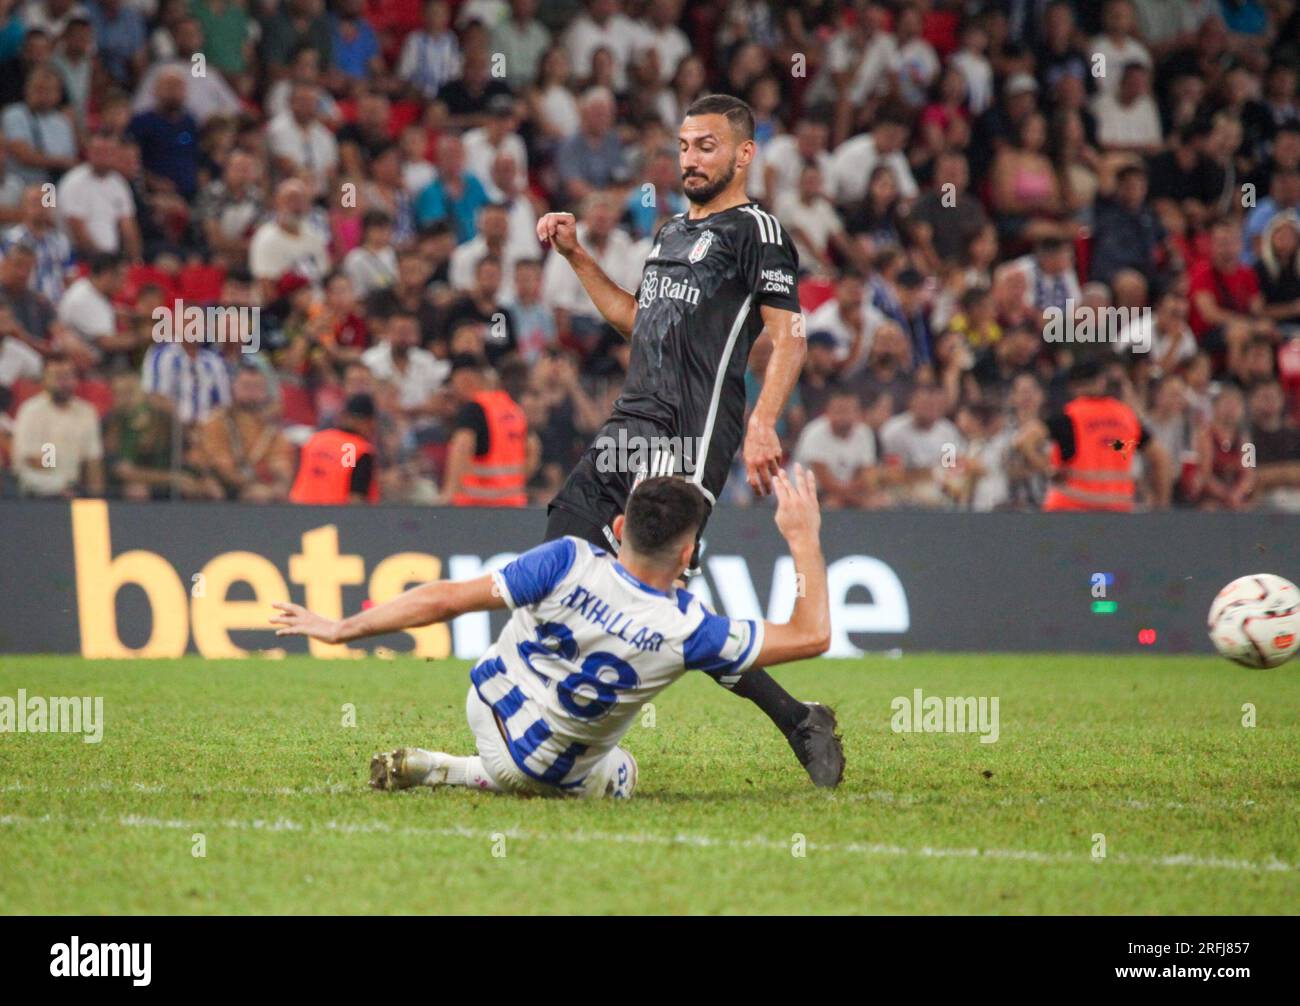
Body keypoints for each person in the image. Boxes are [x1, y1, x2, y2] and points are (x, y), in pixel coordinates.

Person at [534, 93, 844, 787]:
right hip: (629, 419)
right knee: (563, 539)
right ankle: (798, 716)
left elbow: (788, 334)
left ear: (743, 153)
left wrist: (763, 422)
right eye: (683, 145)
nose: (691, 158)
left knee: (657, 598)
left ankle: (796, 720)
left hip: (692, 428)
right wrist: (577, 254)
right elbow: (636, 320)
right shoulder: (671, 231)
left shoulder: (758, 230)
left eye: (706, 145)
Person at [271, 468, 831, 799]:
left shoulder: (567, 558)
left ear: (617, 529)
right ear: (687, 555)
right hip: (542, 773)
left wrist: (342, 628)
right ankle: (463, 773)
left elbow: (444, 598)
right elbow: (812, 635)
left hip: (484, 704)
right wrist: (803, 537)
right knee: (624, 772)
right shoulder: (690, 629)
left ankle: (448, 766)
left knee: (522, 721)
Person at [1037, 359, 1171, 511]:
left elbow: (1025, 441)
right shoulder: (1126, 416)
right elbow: (1161, 457)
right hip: (1115, 512)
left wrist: (1048, 470)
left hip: (1069, 509)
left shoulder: (1068, 417)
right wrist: (1160, 505)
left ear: (1072, 386)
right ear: (1101, 382)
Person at [288, 392, 380, 504]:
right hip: (335, 517)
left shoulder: (315, 440)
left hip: (297, 513)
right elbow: (356, 498)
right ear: (368, 422)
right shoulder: (356, 450)